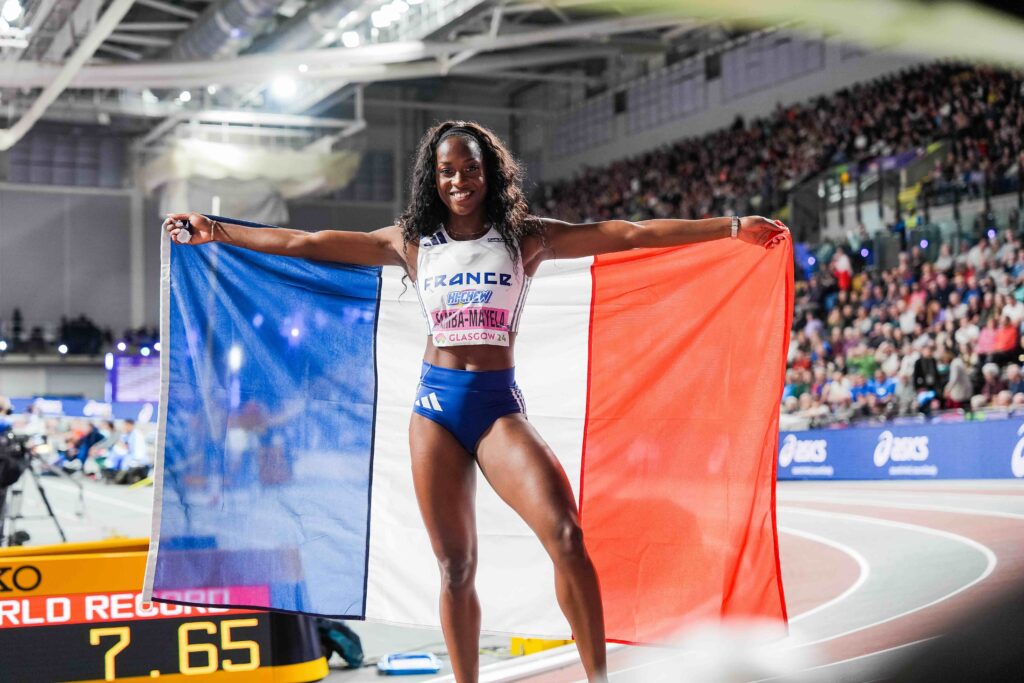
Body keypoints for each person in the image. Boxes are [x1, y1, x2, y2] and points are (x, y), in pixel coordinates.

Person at [163, 120, 788, 683]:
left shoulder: (526, 238)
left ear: (489, 174)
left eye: (469, 168)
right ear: (433, 180)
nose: (459, 180)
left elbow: (628, 233)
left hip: (496, 407)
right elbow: (308, 243)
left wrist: (732, 228)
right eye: (447, 171)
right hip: (435, 412)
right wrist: (217, 231)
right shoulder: (410, 242)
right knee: (456, 568)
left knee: (567, 536)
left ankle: (599, 678)